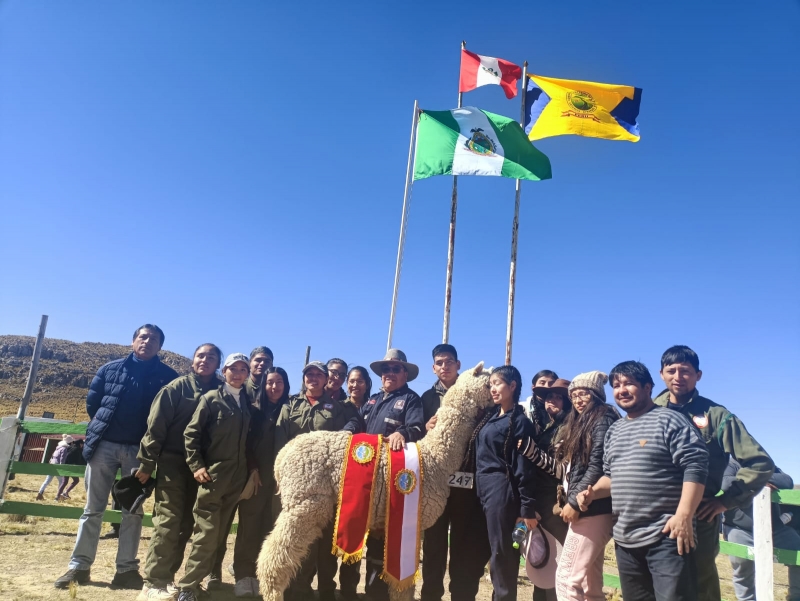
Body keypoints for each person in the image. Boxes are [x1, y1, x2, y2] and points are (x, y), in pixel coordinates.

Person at [55, 324, 179, 590]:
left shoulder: (168, 378)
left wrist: (149, 453)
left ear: (160, 346)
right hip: (104, 447)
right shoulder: (109, 369)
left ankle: (126, 571)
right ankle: (79, 567)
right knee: (92, 509)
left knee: (132, 511)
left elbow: (169, 416)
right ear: (134, 341)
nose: (147, 341)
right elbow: (93, 404)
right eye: (143, 337)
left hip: (139, 452)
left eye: (153, 339)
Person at [577, 361, 709, 601]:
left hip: (667, 537)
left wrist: (684, 515)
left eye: (629, 384)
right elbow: (610, 477)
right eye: (617, 385)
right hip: (626, 540)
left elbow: (695, 466)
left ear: (648, 387)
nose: (621, 390)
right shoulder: (615, 430)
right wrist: (592, 492)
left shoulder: (670, 420)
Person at [654, 345, 774, 601]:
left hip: (698, 517)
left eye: (685, 371)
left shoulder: (716, 416)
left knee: (699, 586)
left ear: (698, 375)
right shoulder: (649, 412)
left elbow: (760, 464)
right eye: (671, 370)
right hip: (652, 515)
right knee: (654, 585)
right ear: (661, 374)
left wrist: (725, 501)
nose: (678, 376)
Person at [134, 343, 223, 600]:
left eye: (211, 357)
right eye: (200, 355)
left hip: (205, 468)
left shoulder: (222, 391)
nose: (205, 360)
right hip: (173, 463)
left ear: (218, 363)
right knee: (168, 521)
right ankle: (153, 582)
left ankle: (172, 579)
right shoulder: (176, 388)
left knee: (189, 525)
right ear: (193, 360)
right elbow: (156, 427)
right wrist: (147, 463)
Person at [274, 360, 360, 601]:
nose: (313, 378)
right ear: (304, 378)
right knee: (296, 536)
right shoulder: (291, 404)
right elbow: (279, 439)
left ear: (325, 380)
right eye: (308, 374)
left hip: (325, 487)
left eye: (317, 375)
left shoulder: (338, 406)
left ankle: (325, 591)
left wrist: (346, 432)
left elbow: (355, 422)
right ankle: (296, 590)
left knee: (325, 542)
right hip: (296, 485)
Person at [176, 353, 253, 601]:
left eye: (243, 369)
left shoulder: (245, 402)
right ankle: (188, 587)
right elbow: (191, 434)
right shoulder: (211, 399)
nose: (238, 373)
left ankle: (203, 582)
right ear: (224, 371)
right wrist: (196, 465)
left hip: (236, 480)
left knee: (220, 535)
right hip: (213, 478)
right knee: (206, 534)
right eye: (234, 369)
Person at [420, 344, 492, 601]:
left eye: (449, 361)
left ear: (458, 365)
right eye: (439, 362)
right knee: (434, 546)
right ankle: (431, 595)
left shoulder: (479, 391)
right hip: (435, 483)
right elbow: (417, 432)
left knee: (462, 545)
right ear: (434, 367)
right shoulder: (427, 398)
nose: (444, 366)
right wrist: (425, 426)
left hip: (465, 481)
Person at [361, 349, 425, 601]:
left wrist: (403, 434)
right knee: (373, 537)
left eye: (396, 369)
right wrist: (347, 430)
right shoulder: (372, 400)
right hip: (368, 478)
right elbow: (357, 423)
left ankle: (395, 594)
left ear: (405, 374)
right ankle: (372, 593)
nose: (389, 373)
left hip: (396, 480)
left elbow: (417, 426)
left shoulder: (411, 399)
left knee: (393, 537)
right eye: (386, 369)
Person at [471, 365, 537, 601]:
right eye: (491, 384)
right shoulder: (491, 416)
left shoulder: (519, 422)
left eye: (498, 383)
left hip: (503, 491)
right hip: (482, 490)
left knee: (503, 556)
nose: (493, 389)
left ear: (512, 386)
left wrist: (526, 508)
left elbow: (524, 467)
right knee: (488, 553)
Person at [552, 372, 618, 601]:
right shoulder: (588, 421)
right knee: (590, 584)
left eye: (584, 394)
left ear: (597, 395)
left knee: (566, 578)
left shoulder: (601, 419)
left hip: (592, 507)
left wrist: (573, 502)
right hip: (592, 507)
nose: (578, 400)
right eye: (575, 395)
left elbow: (598, 466)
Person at [229, 366, 291, 598]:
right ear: (263, 385)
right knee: (249, 528)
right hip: (257, 478)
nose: (274, 387)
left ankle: (265, 576)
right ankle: (244, 576)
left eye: (279, 383)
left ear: (286, 386)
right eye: (270, 383)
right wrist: (253, 468)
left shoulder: (291, 410)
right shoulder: (254, 411)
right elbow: (245, 443)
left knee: (272, 530)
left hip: (281, 482)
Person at [518, 378, 573, 601]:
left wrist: (533, 453)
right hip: (541, 502)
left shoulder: (571, 428)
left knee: (557, 566)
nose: (552, 400)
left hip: (557, 505)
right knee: (541, 562)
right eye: (549, 396)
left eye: (558, 396)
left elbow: (563, 471)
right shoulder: (548, 425)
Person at [722, 459, 799, 601]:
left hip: (775, 529)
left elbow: (787, 481)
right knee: (742, 567)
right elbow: (726, 482)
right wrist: (756, 481)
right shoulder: (732, 464)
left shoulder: (767, 465)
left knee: (799, 552)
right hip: (740, 528)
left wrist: (757, 479)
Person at [338, 365, 373, 601]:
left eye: (360, 381)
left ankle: (356, 590)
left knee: (364, 536)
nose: (355, 385)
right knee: (343, 532)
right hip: (344, 477)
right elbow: (348, 425)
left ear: (367, 384)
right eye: (351, 381)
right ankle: (340, 589)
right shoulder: (340, 407)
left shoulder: (375, 405)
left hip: (370, 479)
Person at [37, 434, 72, 501]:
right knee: (62, 481)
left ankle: (40, 493)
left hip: (52, 465)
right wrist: (62, 468)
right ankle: (59, 496)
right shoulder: (64, 449)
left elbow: (52, 457)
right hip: (57, 467)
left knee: (47, 481)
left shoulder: (58, 447)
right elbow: (62, 459)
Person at [525, 370, 559, 435]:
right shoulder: (523, 408)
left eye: (551, 383)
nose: (546, 386)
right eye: (542, 383)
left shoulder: (563, 410)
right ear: (533, 387)